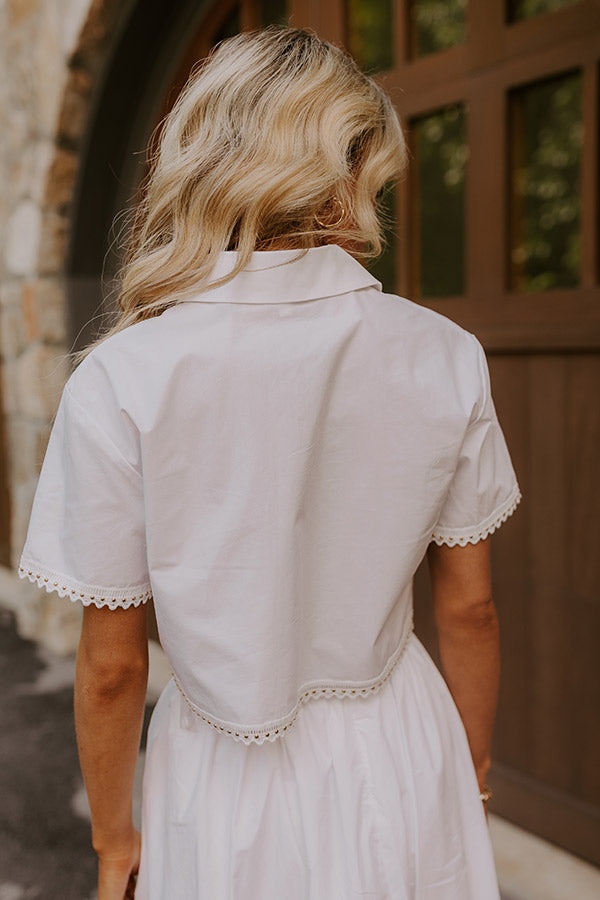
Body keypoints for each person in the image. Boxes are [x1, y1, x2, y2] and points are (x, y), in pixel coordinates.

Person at [19, 26, 521, 900]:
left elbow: (110, 668)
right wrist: (467, 765)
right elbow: (470, 609)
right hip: (403, 741)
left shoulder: (125, 377)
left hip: (224, 769)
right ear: (354, 164)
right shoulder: (442, 353)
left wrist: (112, 839)